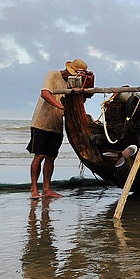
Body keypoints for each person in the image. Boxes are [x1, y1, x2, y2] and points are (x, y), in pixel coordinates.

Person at [28, 59, 94, 199]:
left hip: (56, 125)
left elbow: (80, 100)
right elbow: (45, 94)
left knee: (51, 158)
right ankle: (34, 189)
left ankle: (47, 189)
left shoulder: (73, 84)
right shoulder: (52, 75)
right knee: (39, 156)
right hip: (41, 122)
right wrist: (61, 107)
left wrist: (88, 86)